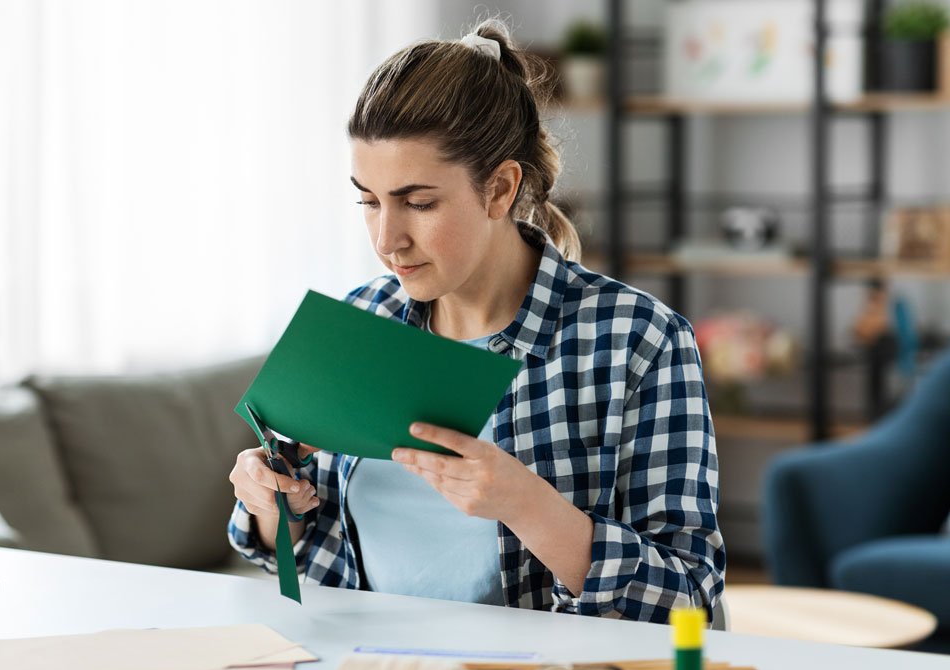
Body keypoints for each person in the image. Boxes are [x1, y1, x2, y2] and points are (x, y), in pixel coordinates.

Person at [227, 20, 725, 623]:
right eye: (368, 200)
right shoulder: (361, 323)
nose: (388, 239)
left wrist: (529, 506)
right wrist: (270, 504)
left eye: (419, 202)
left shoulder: (637, 342)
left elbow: (691, 596)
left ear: (500, 188)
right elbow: (299, 558)